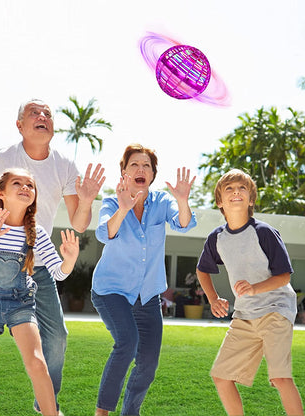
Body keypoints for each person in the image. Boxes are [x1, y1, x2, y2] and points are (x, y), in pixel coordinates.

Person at [0, 99, 105, 416]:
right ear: (20, 125)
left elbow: (79, 223)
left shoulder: (65, 166)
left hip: (37, 260)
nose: (42, 117)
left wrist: (85, 201)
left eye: (47, 114)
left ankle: (46, 408)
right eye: (34, 113)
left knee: (56, 338)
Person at [0, 168, 80, 416]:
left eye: (30, 185)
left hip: (21, 305)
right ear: (0, 193)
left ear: (34, 196)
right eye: (17, 183)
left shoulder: (37, 233)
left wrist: (70, 260)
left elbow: (57, 272)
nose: (25, 187)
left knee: (36, 363)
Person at [91, 143, 197, 416]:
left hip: (148, 294)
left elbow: (183, 224)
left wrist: (183, 200)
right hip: (111, 290)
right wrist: (125, 208)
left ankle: (130, 413)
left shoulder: (161, 202)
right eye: (134, 165)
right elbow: (105, 233)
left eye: (146, 166)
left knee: (148, 363)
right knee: (127, 343)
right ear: (124, 172)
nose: (140, 169)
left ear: (152, 174)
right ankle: (101, 413)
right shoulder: (113, 202)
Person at [196, 169, 304, 416]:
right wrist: (213, 299)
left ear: (251, 199)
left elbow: (284, 276)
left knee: (279, 377)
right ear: (220, 202)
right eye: (229, 189)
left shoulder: (264, 232)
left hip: (276, 309)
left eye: (242, 188)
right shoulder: (217, 238)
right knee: (221, 376)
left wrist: (255, 288)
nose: (236, 192)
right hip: (245, 314)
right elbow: (202, 270)